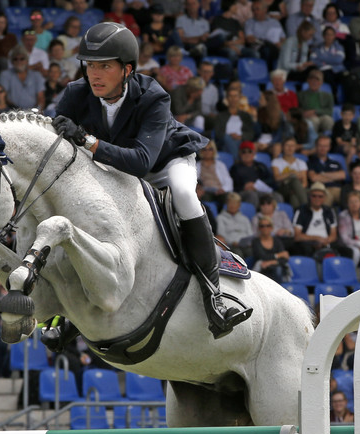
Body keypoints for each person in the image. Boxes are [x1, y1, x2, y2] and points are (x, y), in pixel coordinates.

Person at [54, 22, 251, 339]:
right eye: (90, 65)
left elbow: (142, 161)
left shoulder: (153, 96)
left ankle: (214, 295)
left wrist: (88, 141)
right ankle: (67, 314)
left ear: (127, 69)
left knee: (185, 194)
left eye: (104, 66)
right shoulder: (76, 94)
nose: (94, 74)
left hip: (165, 161)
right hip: (112, 165)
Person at [291, 182, 339, 257]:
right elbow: (297, 236)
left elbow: (334, 235)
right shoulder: (301, 211)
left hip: (326, 243)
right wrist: (317, 238)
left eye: (320, 196)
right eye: (314, 196)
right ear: (309, 196)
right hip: (308, 243)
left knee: (346, 250)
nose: (317, 199)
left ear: (324, 198)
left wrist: (325, 241)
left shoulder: (329, 211)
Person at [0, 45, 46, 110]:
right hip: (12, 112)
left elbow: (41, 97)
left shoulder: (36, 75)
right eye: (15, 59)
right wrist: (18, 111)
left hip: (33, 113)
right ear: (12, 62)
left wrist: (37, 111)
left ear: (27, 61)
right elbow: (3, 97)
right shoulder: (5, 75)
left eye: (22, 59)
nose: (19, 61)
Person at [251, 214, 290, 283]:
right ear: (259, 228)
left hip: (276, 266)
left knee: (278, 269)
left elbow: (285, 258)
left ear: (271, 228)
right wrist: (278, 255)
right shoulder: (255, 242)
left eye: (268, 226)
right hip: (262, 269)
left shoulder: (277, 241)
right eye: (262, 226)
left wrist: (271, 262)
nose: (265, 228)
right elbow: (261, 257)